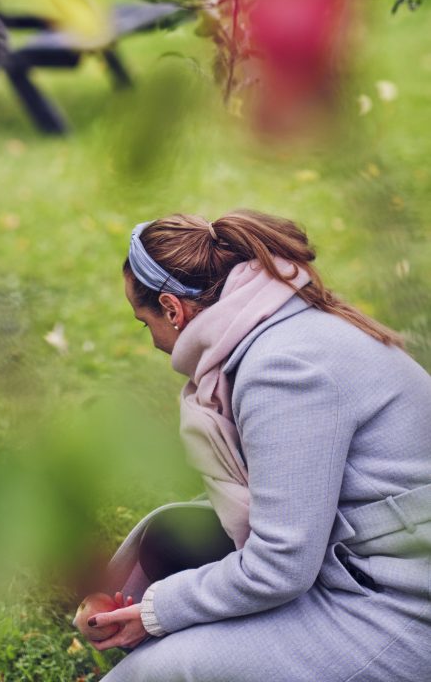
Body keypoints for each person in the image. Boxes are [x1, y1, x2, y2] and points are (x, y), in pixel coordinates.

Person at [80, 210, 431, 682]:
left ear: (172, 309)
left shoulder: (283, 371)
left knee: (151, 675)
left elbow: (281, 566)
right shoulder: (282, 323)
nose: (154, 342)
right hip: (359, 563)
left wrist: (155, 612)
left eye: (145, 324)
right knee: (169, 534)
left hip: (398, 606)